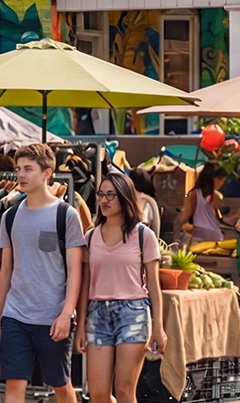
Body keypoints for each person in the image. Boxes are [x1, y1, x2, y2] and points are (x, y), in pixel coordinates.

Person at [0, 143, 87, 403]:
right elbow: (6, 271)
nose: (20, 175)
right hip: (15, 315)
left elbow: (75, 270)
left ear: (47, 173)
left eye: (28, 169)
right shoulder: (9, 216)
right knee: (13, 385)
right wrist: (0, 315)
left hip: (52, 317)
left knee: (61, 385)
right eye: (18, 169)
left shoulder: (66, 215)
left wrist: (67, 314)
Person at [78, 172, 165, 403]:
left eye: (111, 195)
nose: (104, 200)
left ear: (124, 198)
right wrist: (80, 325)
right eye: (101, 195)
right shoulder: (90, 236)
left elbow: (154, 287)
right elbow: (85, 284)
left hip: (133, 313)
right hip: (98, 314)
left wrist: (159, 327)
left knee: (125, 390)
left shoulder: (143, 235)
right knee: (97, 394)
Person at [180, 164, 227, 245]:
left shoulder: (193, 195)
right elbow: (221, 217)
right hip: (215, 238)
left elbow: (185, 219)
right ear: (215, 179)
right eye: (222, 181)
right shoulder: (217, 196)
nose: (222, 184)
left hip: (197, 238)